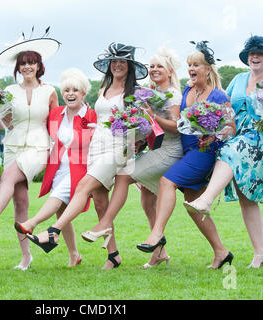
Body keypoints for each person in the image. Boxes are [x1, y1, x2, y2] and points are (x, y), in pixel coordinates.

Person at [26, 42, 148, 269]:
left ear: (130, 66)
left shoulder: (137, 93)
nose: (117, 65)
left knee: (83, 186)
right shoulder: (103, 89)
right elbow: (98, 118)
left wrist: (133, 140)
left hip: (118, 148)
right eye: (114, 61)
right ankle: (114, 256)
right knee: (101, 202)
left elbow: (143, 125)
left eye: (122, 61)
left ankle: (53, 232)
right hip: (97, 146)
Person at [184, 35, 263, 268]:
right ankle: (261, 253)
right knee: (246, 197)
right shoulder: (240, 79)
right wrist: (212, 128)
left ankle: (206, 200)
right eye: (251, 53)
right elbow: (226, 109)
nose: (254, 56)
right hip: (237, 135)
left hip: (261, 140)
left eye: (260, 53)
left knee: (230, 152)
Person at [136, 41, 236, 269]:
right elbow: (178, 123)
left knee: (166, 181)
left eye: (197, 65)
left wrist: (213, 135)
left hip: (203, 153)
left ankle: (157, 234)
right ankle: (221, 252)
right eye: (190, 64)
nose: (192, 68)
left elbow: (232, 127)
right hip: (186, 150)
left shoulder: (219, 96)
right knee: (193, 205)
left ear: (207, 69)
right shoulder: (189, 91)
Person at [81, 46, 183, 268]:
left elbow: (174, 128)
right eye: (152, 66)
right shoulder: (148, 91)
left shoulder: (173, 94)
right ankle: (160, 252)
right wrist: (138, 135)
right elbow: (144, 125)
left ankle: (105, 223)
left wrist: (150, 115)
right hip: (152, 148)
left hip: (169, 150)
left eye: (160, 66)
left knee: (124, 176)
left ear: (170, 71)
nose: (154, 70)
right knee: (147, 200)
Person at [0, 34, 60, 271]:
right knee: (20, 204)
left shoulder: (50, 91)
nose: (27, 66)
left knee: (7, 177)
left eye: (31, 62)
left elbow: (55, 124)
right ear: (18, 67)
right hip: (13, 146)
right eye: (23, 63)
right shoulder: (8, 91)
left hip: (39, 147)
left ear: (39, 66)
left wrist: (58, 155)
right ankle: (26, 257)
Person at [15, 68, 96, 267]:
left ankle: (31, 223)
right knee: (62, 212)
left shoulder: (91, 115)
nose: (70, 94)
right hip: (59, 167)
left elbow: (92, 144)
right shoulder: (56, 114)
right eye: (67, 90)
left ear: (83, 94)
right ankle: (74, 255)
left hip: (80, 168)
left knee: (58, 196)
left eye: (75, 90)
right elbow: (39, 129)